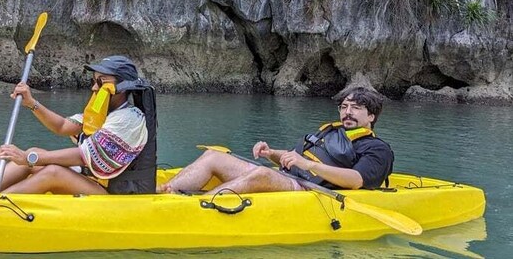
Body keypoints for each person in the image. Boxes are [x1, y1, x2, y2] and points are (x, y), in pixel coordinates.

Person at [0, 55, 157, 195]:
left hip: (118, 194)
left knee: (52, 170)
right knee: (35, 152)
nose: (94, 87)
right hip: (95, 181)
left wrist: (30, 159)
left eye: (101, 82)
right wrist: (31, 103)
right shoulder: (102, 108)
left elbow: (85, 156)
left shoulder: (129, 119)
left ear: (122, 88)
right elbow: (64, 127)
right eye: (94, 81)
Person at [158, 86, 393, 195]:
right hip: (288, 177)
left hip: (310, 190)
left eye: (356, 108)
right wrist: (271, 153)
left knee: (263, 175)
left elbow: (356, 180)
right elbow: (293, 159)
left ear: (371, 116)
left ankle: (197, 207)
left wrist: (308, 165)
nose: (347, 112)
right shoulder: (330, 132)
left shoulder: (376, 148)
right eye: (344, 107)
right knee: (214, 156)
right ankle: (167, 191)